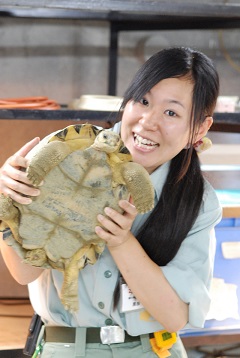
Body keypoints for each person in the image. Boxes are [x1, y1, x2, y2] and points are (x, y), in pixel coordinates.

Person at [0, 47, 222, 358]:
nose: (148, 122)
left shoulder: (197, 202)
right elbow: (24, 272)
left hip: (153, 350)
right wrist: (7, 200)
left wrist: (121, 242)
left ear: (199, 128)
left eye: (171, 112)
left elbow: (175, 317)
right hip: (63, 349)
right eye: (143, 101)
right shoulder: (68, 152)